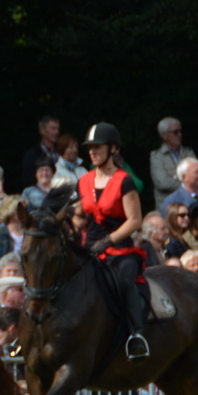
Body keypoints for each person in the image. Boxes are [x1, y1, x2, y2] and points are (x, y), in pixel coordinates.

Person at [76, 122, 149, 359]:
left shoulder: (124, 180)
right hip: (89, 247)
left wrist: (108, 240)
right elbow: (82, 213)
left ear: (113, 149)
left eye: (98, 147)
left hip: (120, 248)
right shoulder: (84, 180)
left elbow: (135, 220)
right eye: (90, 147)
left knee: (125, 282)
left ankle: (136, 336)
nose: (92, 151)